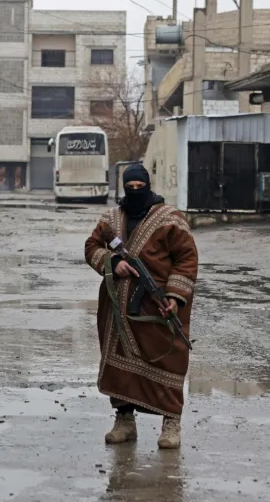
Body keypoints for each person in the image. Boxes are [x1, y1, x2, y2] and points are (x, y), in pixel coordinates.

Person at [83, 164, 198, 450]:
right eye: (130, 187)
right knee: (120, 367)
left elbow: (186, 257)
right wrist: (112, 262)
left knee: (169, 358)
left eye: (140, 186)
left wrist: (174, 295)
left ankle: (171, 423)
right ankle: (124, 421)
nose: (135, 191)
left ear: (148, 185)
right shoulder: (111, 219)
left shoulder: (170, 218)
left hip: (158, 307)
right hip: (117, 308)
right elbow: (91, 247)